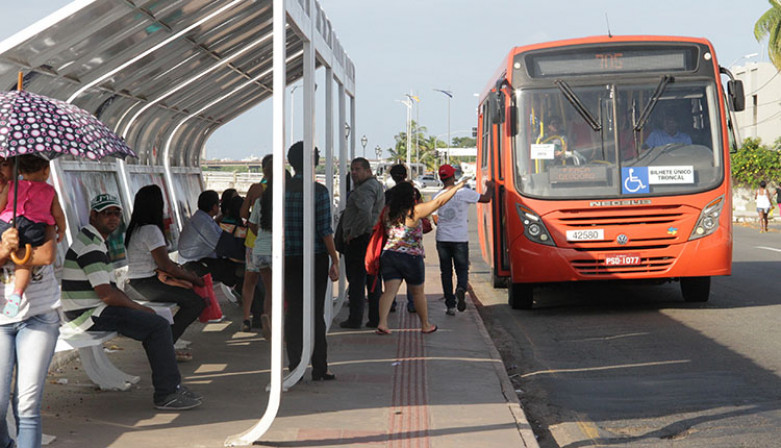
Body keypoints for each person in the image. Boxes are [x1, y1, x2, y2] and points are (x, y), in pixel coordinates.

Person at [61, 194, 202, 410]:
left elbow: (108, 292)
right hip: (88, 314)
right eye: (107, 213)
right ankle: (167, 393)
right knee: (158, 326)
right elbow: (107, 294)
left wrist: (139, 310)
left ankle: (169, 385)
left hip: (91, 310)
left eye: (117, 213)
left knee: (154, 326)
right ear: (93, 215)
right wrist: (139, 308)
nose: (113, 218)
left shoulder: (93, 239)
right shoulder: (91, 246)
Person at [0, 186, 59, 448]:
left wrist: (14, 247)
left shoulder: (35, 206)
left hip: (39, 314)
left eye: (4, 181)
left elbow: (46, 254)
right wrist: (3, 251)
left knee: (27, 401)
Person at [376, 179, 468, 336]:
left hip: (390, 255)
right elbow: (439, 201)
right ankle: (425, 325)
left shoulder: (388, 212)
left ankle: (382, 323)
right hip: (411, 257)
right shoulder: (414, 212)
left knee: (389, 291)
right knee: (418, 292)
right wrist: (458, 187)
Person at [285, 142, 339, 381]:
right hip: (315, 256)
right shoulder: (318, 191)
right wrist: (334, 258)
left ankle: (295, 364)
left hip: (288, 257)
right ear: (315, 162)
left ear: (291, 162)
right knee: (315, 312)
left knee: (294, 310)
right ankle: (320, 366)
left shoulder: (281, 190)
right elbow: (324, 229)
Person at [125, 185, 205, 344]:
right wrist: (193, 278)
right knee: (195, 302)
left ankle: (166, 339)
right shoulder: (151, 230)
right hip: (145, 285)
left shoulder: (136, 228)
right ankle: (165, 341)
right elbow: (166, 266)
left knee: (189, 297)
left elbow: (162, 263)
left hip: (136, 284)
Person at [0, 155, 66, 318]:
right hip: (33, 227)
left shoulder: (11, 187)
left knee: (26, 257)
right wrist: (62, 229)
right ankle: (18, 292)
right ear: (46, 171)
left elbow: (46, 255)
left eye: (3, 164)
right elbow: (58, 216)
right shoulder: (49, 191)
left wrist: (6, 250)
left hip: (40, 308)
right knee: (25, 261)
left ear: (18, 169)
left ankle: (16, 294)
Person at [433, 165, 494, 315]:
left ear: (441, 179)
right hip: (459, 238)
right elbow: (486, 199)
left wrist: (445, 221)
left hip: (442, 238)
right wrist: (490, 187)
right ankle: (460, 288)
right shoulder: (464, 192)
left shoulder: (437, 196)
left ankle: (450, 305)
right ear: (453, 177)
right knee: (462, 268)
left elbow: (435, 219)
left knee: (445, 272)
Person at [339, 157, 385, 329]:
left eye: (358, 169)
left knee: (357, 281)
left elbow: (365, 214)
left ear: (368, 171)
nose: (354, 173)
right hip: (371, 237)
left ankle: (355, 318)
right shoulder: (376, 186)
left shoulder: (364, 190)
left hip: (360, 240)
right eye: (352, 169)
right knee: (373, 280)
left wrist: (353, 233)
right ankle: (375, 317)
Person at [177, 190, 243, 289]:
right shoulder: (203, 223)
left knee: (233, 266)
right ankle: (242, 297)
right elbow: (223, 247)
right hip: (192, 265)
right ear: (214, 207)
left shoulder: (202, 218)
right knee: (236, 269)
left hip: (196, 261)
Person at [385, 163, 424, 314]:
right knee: (413, 279)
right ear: (406, 175)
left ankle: (391, 304)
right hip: (413, 244)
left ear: (392, 177)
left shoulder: (389, 194)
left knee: (390, 281)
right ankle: (413, 304)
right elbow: (422, 207)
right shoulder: (414, 191)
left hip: (392, 244)